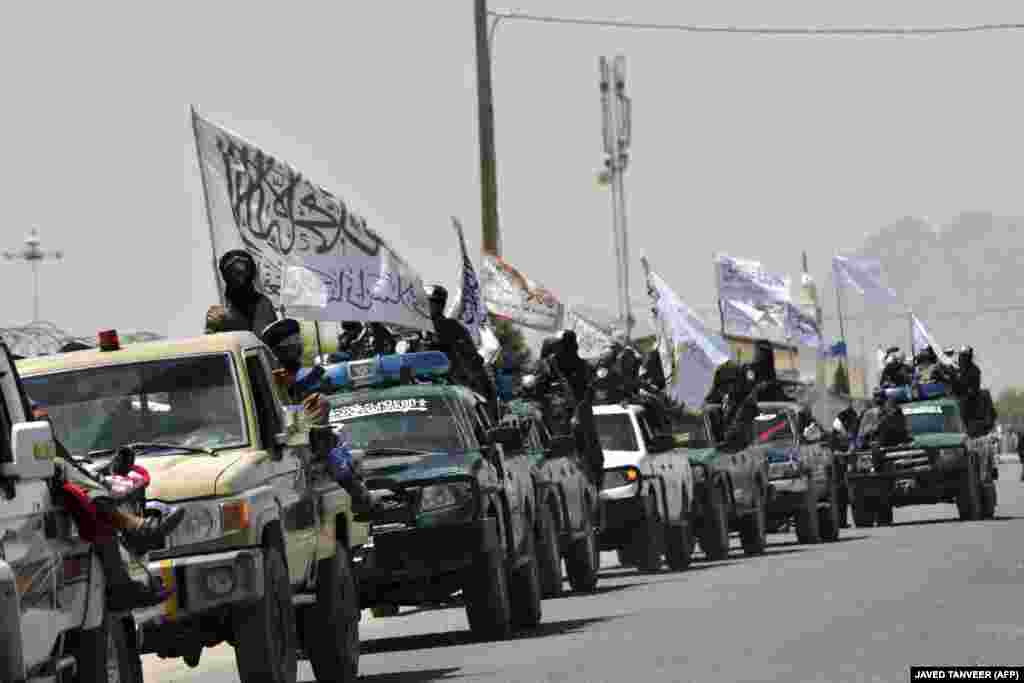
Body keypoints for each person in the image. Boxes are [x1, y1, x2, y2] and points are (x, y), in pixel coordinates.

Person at [260, 319, 377, 516]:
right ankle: (359, 495)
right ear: (277, 351)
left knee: (335, 446)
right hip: (290, 450)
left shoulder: (308, 378)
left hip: (309, 448)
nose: (295, 347)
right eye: (288, 344)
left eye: (297, 341)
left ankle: (360, 495)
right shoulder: (270, 381)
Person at [424, 285, 497, 418]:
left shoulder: (451, 326)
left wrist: (473, 363)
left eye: (433, 302)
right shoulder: (417, 327)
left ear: (441, 305)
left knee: (480, 400)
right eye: (428, 302)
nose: (429, 306)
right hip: (420, 378)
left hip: (449, 379)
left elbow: (469, 353)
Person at [205, 250, 278, 335]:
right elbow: (210, 343)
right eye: (233, 274)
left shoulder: (262, 305)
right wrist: (212, 327)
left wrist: (233, 322)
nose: (240, 279)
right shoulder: (220, 312)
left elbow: (262, 342)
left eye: (243, 274)